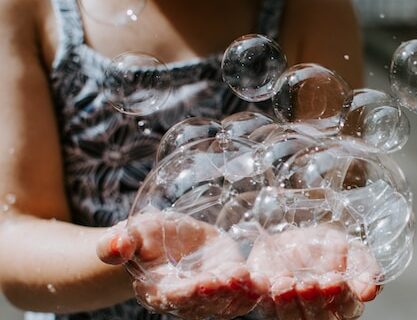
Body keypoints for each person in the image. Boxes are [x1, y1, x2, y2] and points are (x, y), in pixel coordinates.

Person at [0, 0, 377, 319]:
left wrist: (319, 256)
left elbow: (334, 198)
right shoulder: (32, 9)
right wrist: (137, 256)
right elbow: (15, 238)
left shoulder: (310, 9)